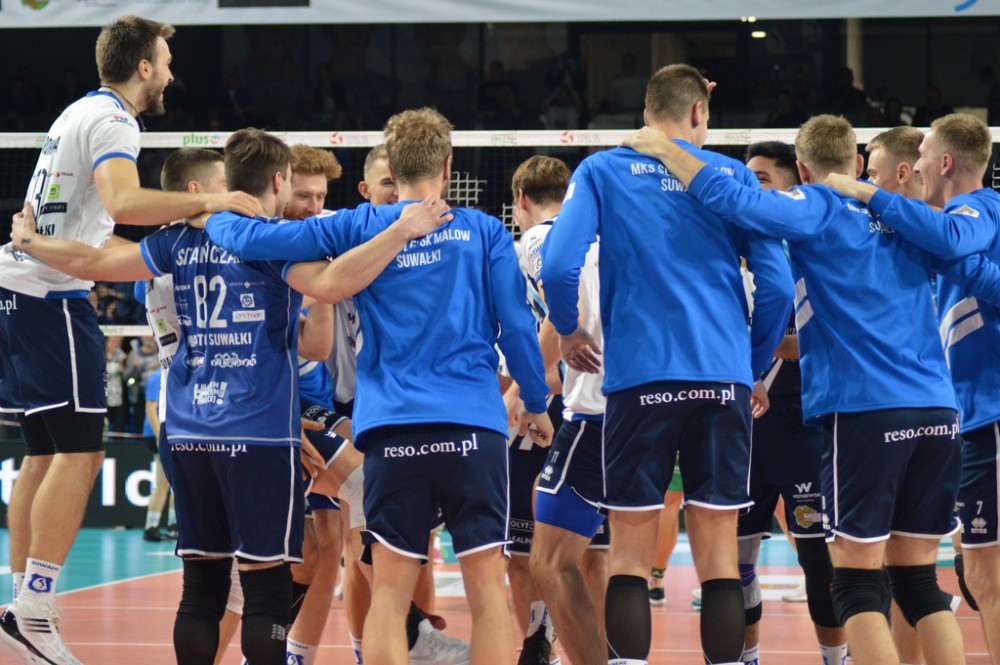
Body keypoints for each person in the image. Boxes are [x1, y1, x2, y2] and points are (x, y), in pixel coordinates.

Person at [9, 127, 452, 665]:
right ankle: (399, 631)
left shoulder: (174, 244)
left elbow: (94, 263)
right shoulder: (272, 243)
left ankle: (393, 631)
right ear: (278, 181)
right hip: (259, 432)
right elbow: (328, 299)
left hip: (188, 428)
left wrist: (28, 241)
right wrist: (398, 232)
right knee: (266, 587)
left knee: (202, 589)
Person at [204, 107, 554, 665]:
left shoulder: (361, 225)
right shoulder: (484, 230)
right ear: (447, 166)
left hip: (392, 430)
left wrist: (217, 205)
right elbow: (516, 327)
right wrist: (534, 401)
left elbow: (241, 237)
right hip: (472, 426)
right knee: (487, 590)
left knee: (389, 595)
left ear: (392, 169)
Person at [625, 113, 970, 665]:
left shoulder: (819, 204)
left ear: (803, 170)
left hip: (867, 413)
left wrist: (666, 150)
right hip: (938, 412)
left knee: (855, 585)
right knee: (920, 583)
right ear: (859, 162)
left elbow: (735, 200)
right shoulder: (907, 216)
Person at [0, 16, 260, 665]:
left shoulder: (77, 112)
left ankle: (21, 604)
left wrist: (156, 253)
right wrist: (209, 202)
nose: (171, 73)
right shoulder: (116, 119)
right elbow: (123, 202)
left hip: (21, 286)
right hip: (50, 294)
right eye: (165, 61)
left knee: (44, 452)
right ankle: (34, 609)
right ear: (143, 66)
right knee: (82, 454)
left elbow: (97, 228)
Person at [541, 64, 794, 665]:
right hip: (721, 381)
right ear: (699, 112)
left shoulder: (602, 169)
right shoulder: (731, 176)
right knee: (719, 559)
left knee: (630, 555)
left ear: (647, 112)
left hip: (640, 381)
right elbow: (779, 287)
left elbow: (558, 264)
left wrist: (568, 328)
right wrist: (750, 365)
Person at [824, 113, 1000, 665]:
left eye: (921, 157)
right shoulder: (931, 229)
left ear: (943, 163)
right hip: (957, 414)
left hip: (985, 412)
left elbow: (953, 243)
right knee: (924, 576)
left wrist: (864, 194)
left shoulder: (974, 212)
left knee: (984, 578)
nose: (915, 167)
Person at [735, 141, 846, 665]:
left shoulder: (815, 253)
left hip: (802, 429)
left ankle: (836, 658)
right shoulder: (733, 249)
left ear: (793, 184)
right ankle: (745, 657)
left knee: (818, 563)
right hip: (742, 433)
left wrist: (762, 345)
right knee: (732, 562)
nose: (751, 187)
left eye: (761, 178)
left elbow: (824, 340)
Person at [501, 155, 573, 665]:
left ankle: (537, 645)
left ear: (520, 200)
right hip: (596, 404)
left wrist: (524, 390)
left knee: (523, 549)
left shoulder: (535, 240)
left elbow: (563, 308)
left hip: (547, 403)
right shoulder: (591, 239)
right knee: (586, 552)